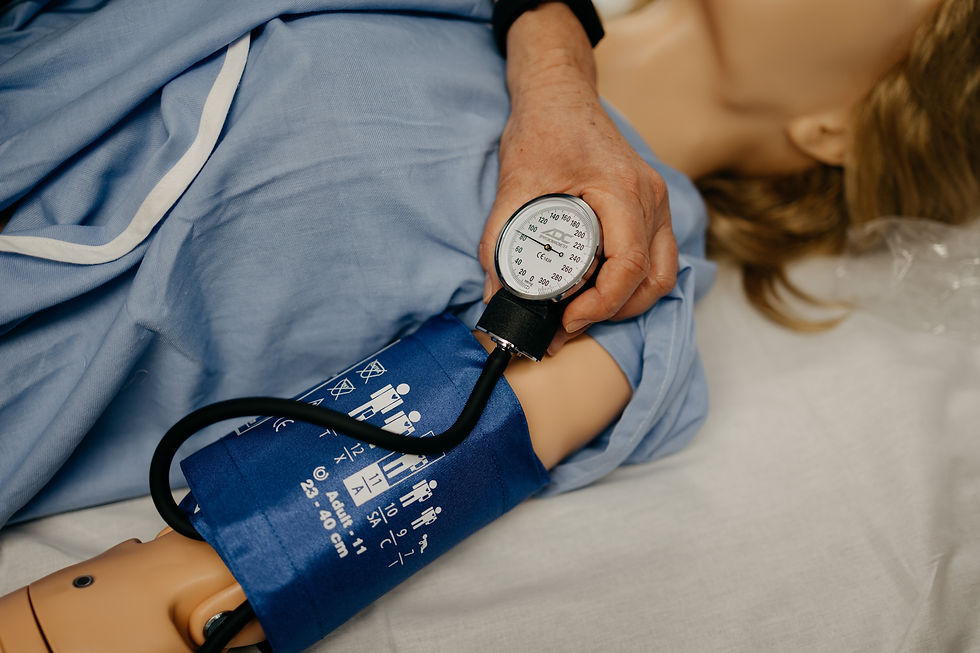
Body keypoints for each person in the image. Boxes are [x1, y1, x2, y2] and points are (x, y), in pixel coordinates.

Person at [1, 0, 977, 648]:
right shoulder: (511, 14)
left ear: (839, 127)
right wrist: (549, 55)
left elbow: (210, 582)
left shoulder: (634, 290)